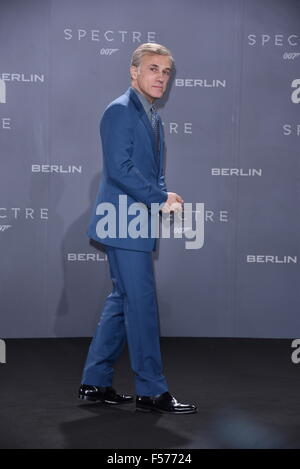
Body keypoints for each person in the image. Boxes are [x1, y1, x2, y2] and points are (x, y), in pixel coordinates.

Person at [78, 43, 197, 414]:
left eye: (166, 72)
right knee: (142, 306)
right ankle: (151, 391)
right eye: (153, 69)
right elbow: (119, 169)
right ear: (134, 72)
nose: (160, 77)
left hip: (133, 221)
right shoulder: (120, 111)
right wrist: (159, 199)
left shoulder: (151, 114)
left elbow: (138, 169)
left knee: (122, 302)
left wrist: (163, 193)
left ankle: (94, 383)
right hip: (123, 224)